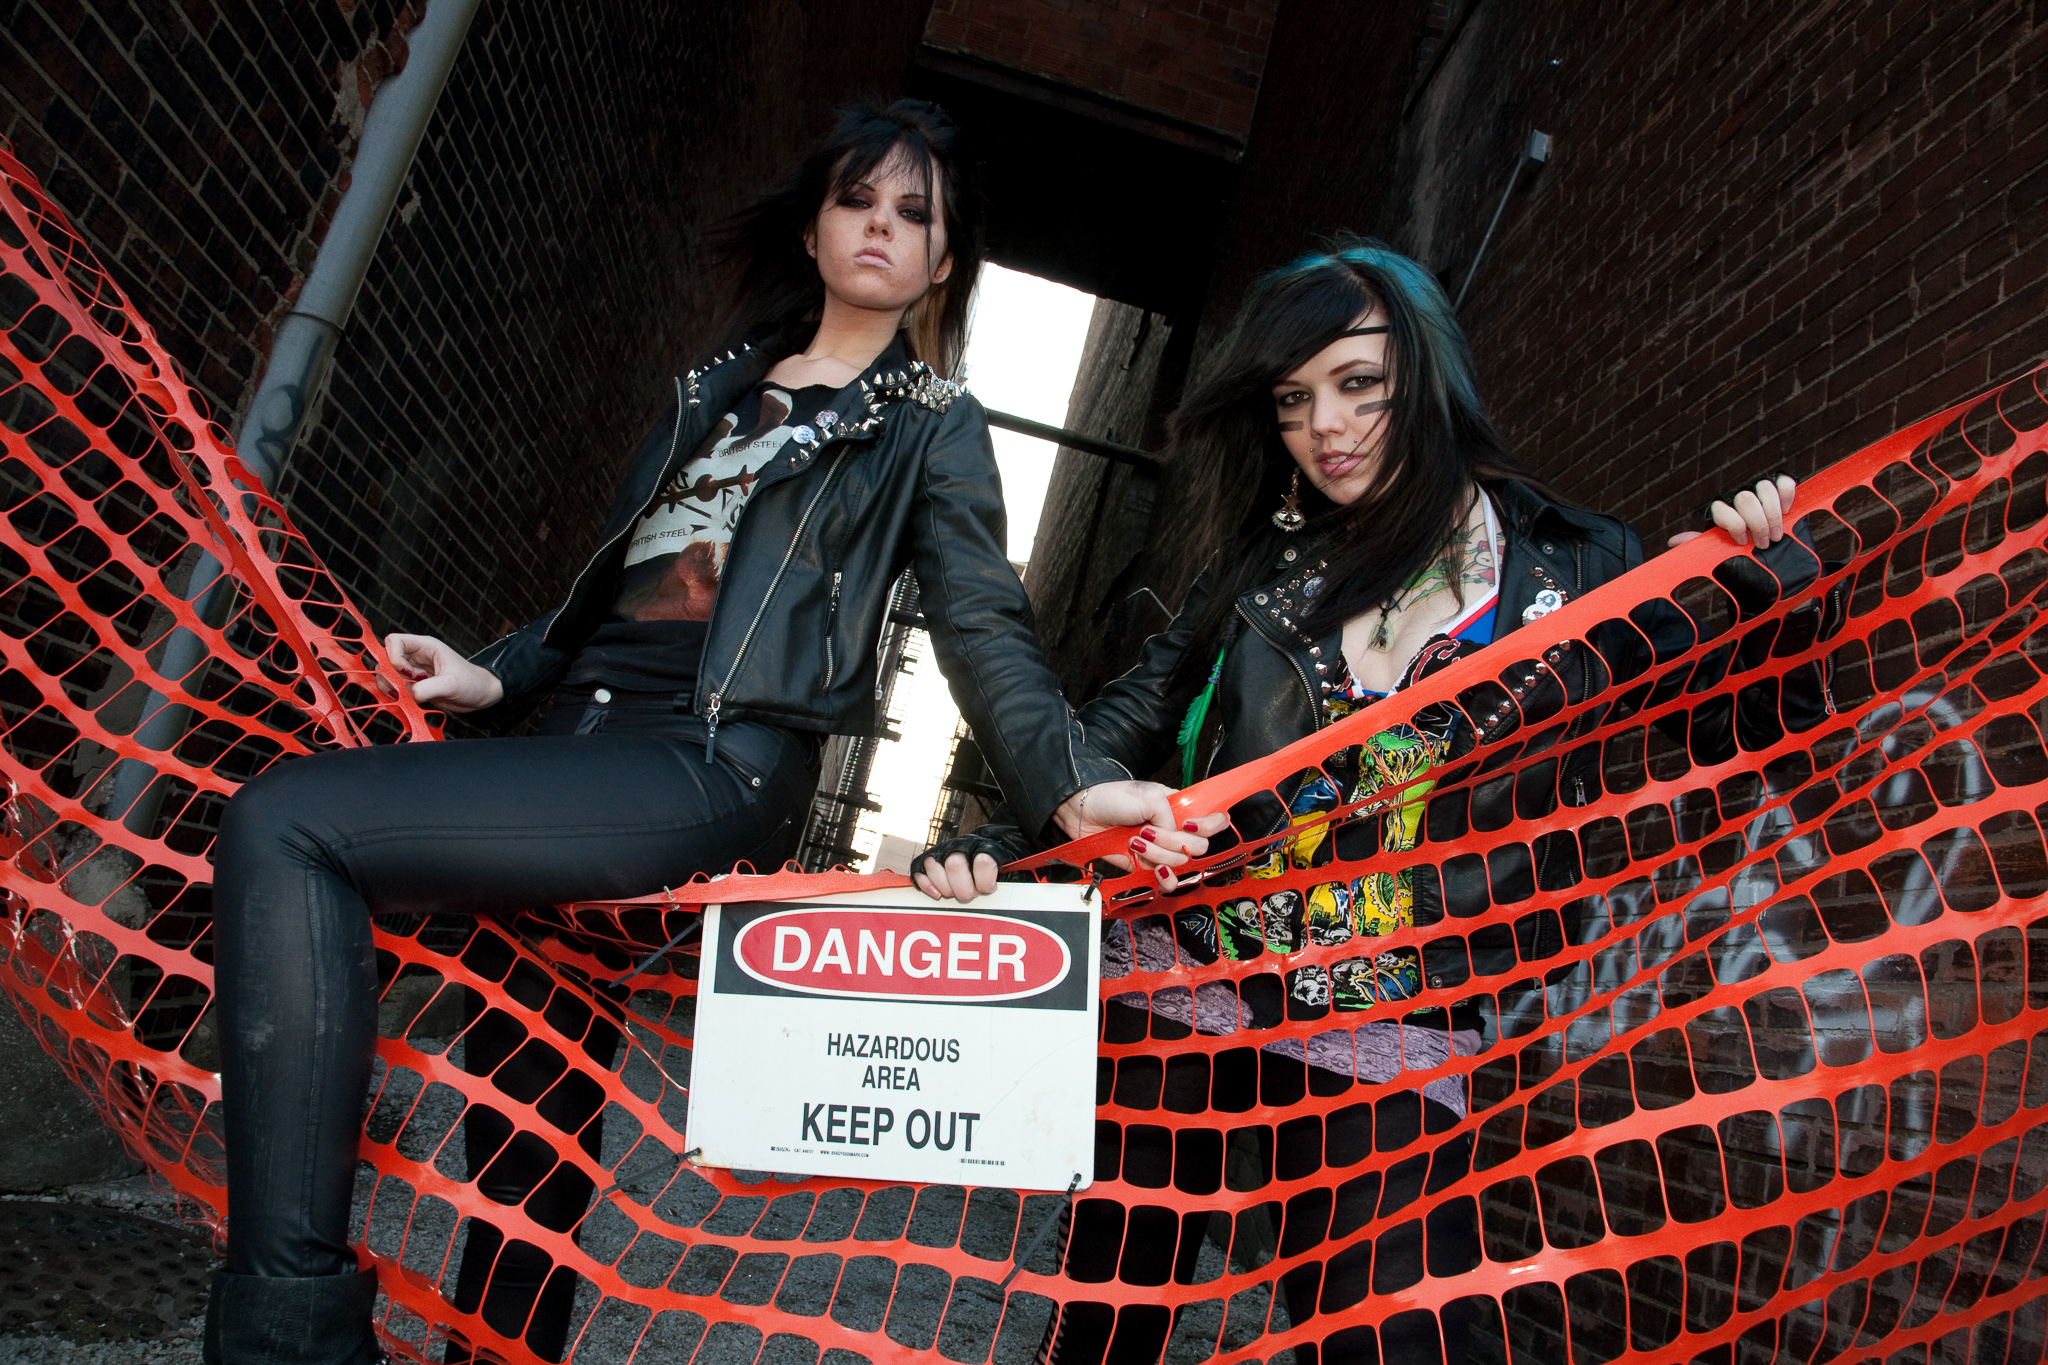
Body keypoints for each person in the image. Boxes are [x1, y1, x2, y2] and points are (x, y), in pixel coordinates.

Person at [203, 99, 1174, 1365]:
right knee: (525, 1107)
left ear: (943, 262)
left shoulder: (928, 423)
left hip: (712, 762)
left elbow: (982, 621)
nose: (880, 226)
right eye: (856, 200)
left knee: (289, 822)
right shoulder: (709, 389)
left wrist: (1070, 783)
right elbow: (614, 586)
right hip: (573, 738)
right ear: (812, 228)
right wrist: (496, 673)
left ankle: (286, 1331)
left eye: (914, 214)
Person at [913, 236, 1804, 1359]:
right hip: (1188, 972)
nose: (1323, 427)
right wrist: (1005, 837)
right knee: (1106, 1316)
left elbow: (1749, 737)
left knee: (1387, 1331)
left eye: (1358, 384)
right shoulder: (1263, 566)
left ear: (1425, 373)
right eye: (1293, 400)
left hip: (1398, 1017)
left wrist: (1771, 602)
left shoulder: (1580, 569)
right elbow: (1122, 724)